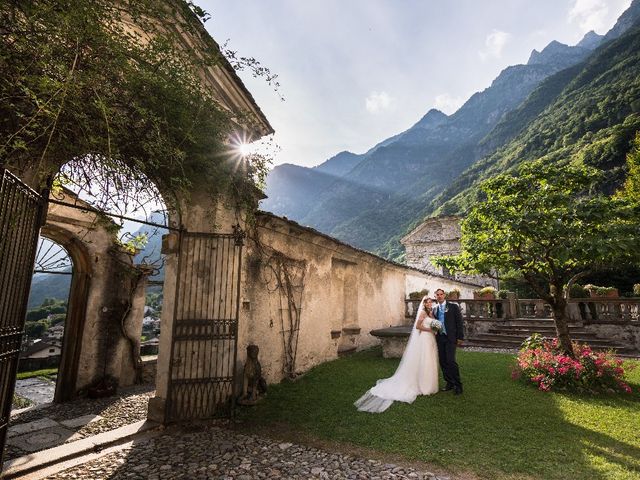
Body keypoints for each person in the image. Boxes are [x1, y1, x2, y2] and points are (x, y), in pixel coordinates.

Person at [354, 296, 439, 413]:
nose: (429, 304)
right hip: (424, 338)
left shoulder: (431, 313)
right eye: (428, 302)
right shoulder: (423, 313)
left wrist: (436, 328)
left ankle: (430, 384)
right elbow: (418, 326)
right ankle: (423, 385)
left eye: (431, 302)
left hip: (430, 339)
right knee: (424, 360)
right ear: (424, 304)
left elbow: (433, 323)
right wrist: (430, 330)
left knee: (430, 360)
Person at [433, 288, 464, 395]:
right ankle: (449, 383)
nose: (439, 296)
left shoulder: (453, 307)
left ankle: (458, 385)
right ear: (435, 296)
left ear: (444, 295)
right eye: (437, 295)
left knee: (451, 361)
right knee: (443, 361)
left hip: (451, 338)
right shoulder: (435, 309)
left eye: (441, 294)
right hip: (440, 338)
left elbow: (459, 322)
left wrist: (460, 337)